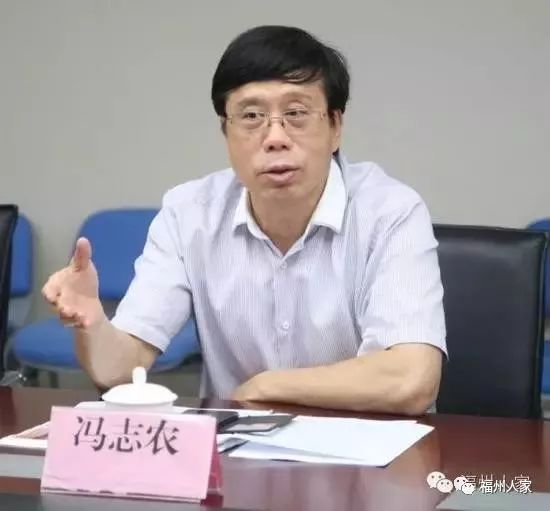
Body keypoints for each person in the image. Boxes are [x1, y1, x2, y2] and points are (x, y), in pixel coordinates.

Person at [43, 25, 446, 414]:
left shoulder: (390, 212)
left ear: (335, 126)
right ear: (226, 132)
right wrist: (92, 324)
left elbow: (411, 378)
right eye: (252, 116)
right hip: (238, 450)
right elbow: (120, 371)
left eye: (296, 113)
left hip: (370, 448)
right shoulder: (188, 214)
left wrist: (267, 387)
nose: (275, 137)